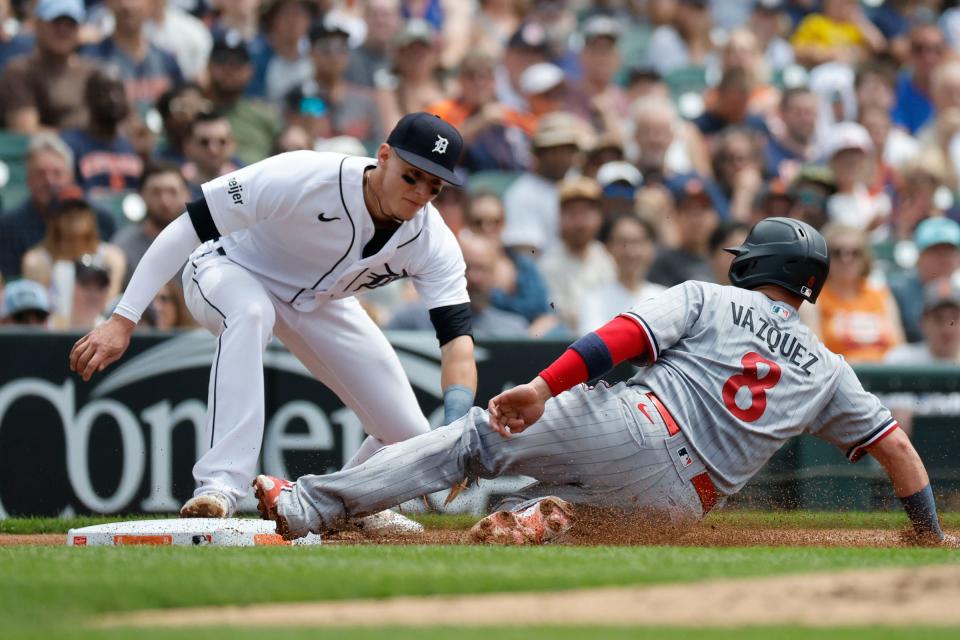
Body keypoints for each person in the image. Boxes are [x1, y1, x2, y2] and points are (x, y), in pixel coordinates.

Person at [254, 217, 958, 549]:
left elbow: (622, 338)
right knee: (545, 513)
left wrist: (542, 385)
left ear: (755, 264)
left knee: (474, 441)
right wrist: (925, 533)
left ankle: (309, 506)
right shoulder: (830, 370)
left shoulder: (711, 297)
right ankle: (550, 516)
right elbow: (900, 455)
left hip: (637, 423)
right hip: (684, 503)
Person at [68, 113, 478, 535]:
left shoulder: (433, 240)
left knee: (411, 440)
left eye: (434, 185)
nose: (421, 193)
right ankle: (219, 488)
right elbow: (188, 226)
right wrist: (123, 318)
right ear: (384, 156)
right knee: (251, 312)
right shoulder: (303, 174)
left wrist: (453, 432)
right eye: (412, 176)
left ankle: (341, 503)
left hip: (321, 302)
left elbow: (457, 342)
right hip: (228, 267)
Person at [0, 134, 116, 280]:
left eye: (57, 173)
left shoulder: (99, 218)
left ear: (71, 176)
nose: (49, 181)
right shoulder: (8, 225)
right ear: (28, 179)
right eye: (40, 174)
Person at [800, 224, 904, 363]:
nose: (846, 259)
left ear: (865, 257)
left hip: (886, 378)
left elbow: (900, 348)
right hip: (839, 379)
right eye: (837, 252)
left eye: (855, 252)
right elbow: (814, 355)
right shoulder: (813, 299)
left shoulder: (881, 294)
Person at [0, 0, 95, 133]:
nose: (63, 30)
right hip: (47, 150)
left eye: (71, 24)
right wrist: (80, 140)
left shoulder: (93, 72)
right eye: (56, 22)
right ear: (38, 24)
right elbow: (24, 131)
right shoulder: (20, 72)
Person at [885, 278, 960, 435]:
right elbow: (899, 428)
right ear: (922, 322)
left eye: (954, 318)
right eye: (938, 319)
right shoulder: (901, 359)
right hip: (919, 454)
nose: (947, 327)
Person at [577, 213, 664, 335]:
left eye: (637, 242)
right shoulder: (594, 299)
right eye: (622, 242)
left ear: (650, 247)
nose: (630, 251)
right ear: (608, 247)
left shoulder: (663, 297)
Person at [111, 162, 191, 285]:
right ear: (141, 196)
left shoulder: (205, 245)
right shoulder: (123, 247)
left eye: (172, 192)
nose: (165, 201)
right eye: (156, 192)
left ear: (187, 195)